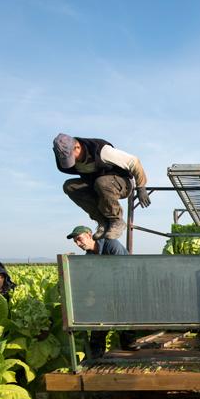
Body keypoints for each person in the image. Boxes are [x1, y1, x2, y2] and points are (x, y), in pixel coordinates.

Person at [52, 133, 151, 241]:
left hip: (122, 183)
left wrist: (141, 187)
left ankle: (116, 220)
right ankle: (102, 221)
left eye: (71, 156)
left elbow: (134, 162)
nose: (73, 161)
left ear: (77, 147)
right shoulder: (68, 160)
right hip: (96, 185)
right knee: (70, 186)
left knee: (102, 182)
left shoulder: (102, 151)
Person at [66, 225, 138, 355]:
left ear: (89, 235)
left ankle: (128, 342)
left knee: (117, 309)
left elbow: (123, 271)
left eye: (79, 239)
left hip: (125, 287)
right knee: (100, 314)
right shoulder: (89, 256)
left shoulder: (111, 245)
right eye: (75, 241)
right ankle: (96, 353)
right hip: (106, 292)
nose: (78, 244)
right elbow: (89, 279)